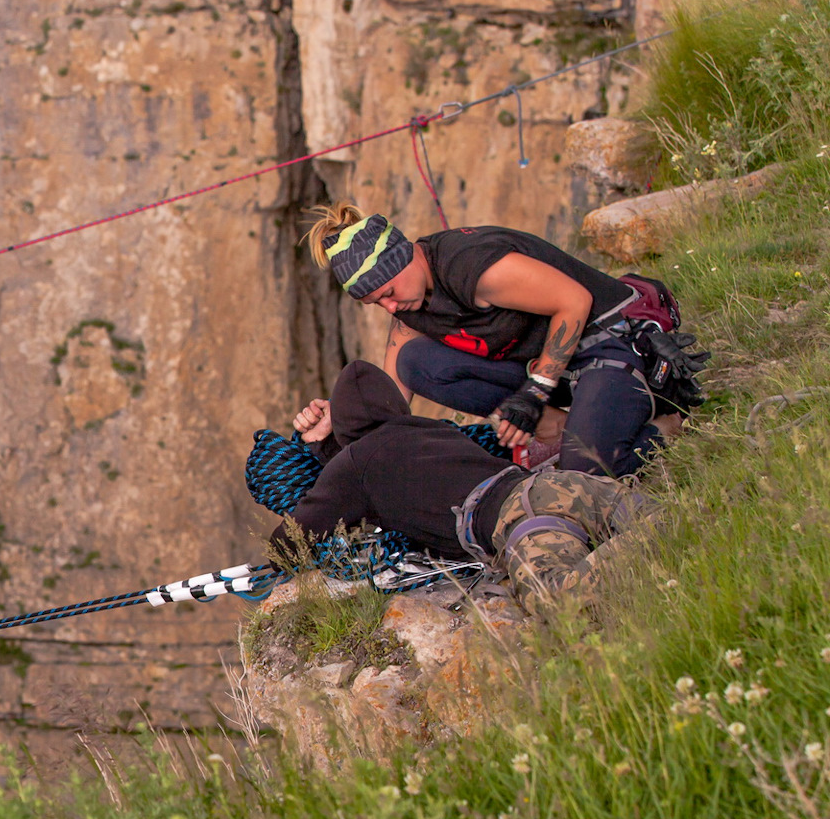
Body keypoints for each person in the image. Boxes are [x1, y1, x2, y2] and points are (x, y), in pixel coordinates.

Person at [304, 202, 691, 477]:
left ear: (402, 257)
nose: (389, 307)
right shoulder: (411, 305)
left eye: (387, 292)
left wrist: (534, 392)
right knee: (414, 360)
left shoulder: (471, 266)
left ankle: (667, 424)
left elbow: (575, 301)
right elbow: (389, 399)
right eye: (376, 303)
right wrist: (341, 421)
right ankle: (557, 428)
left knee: (587, 470)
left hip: (610, 343)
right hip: (563, 372)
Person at [271, 360, 658, 607]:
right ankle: (663, 529)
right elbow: (385, 472)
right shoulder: (432, 431)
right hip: (556, 486)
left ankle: (640, 544)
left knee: (558, 600)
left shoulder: (356, 463)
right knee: (665, 518)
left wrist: (322, 446)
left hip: (521, 521)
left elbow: (295, 536)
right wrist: (332, 446)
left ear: (346, 432)